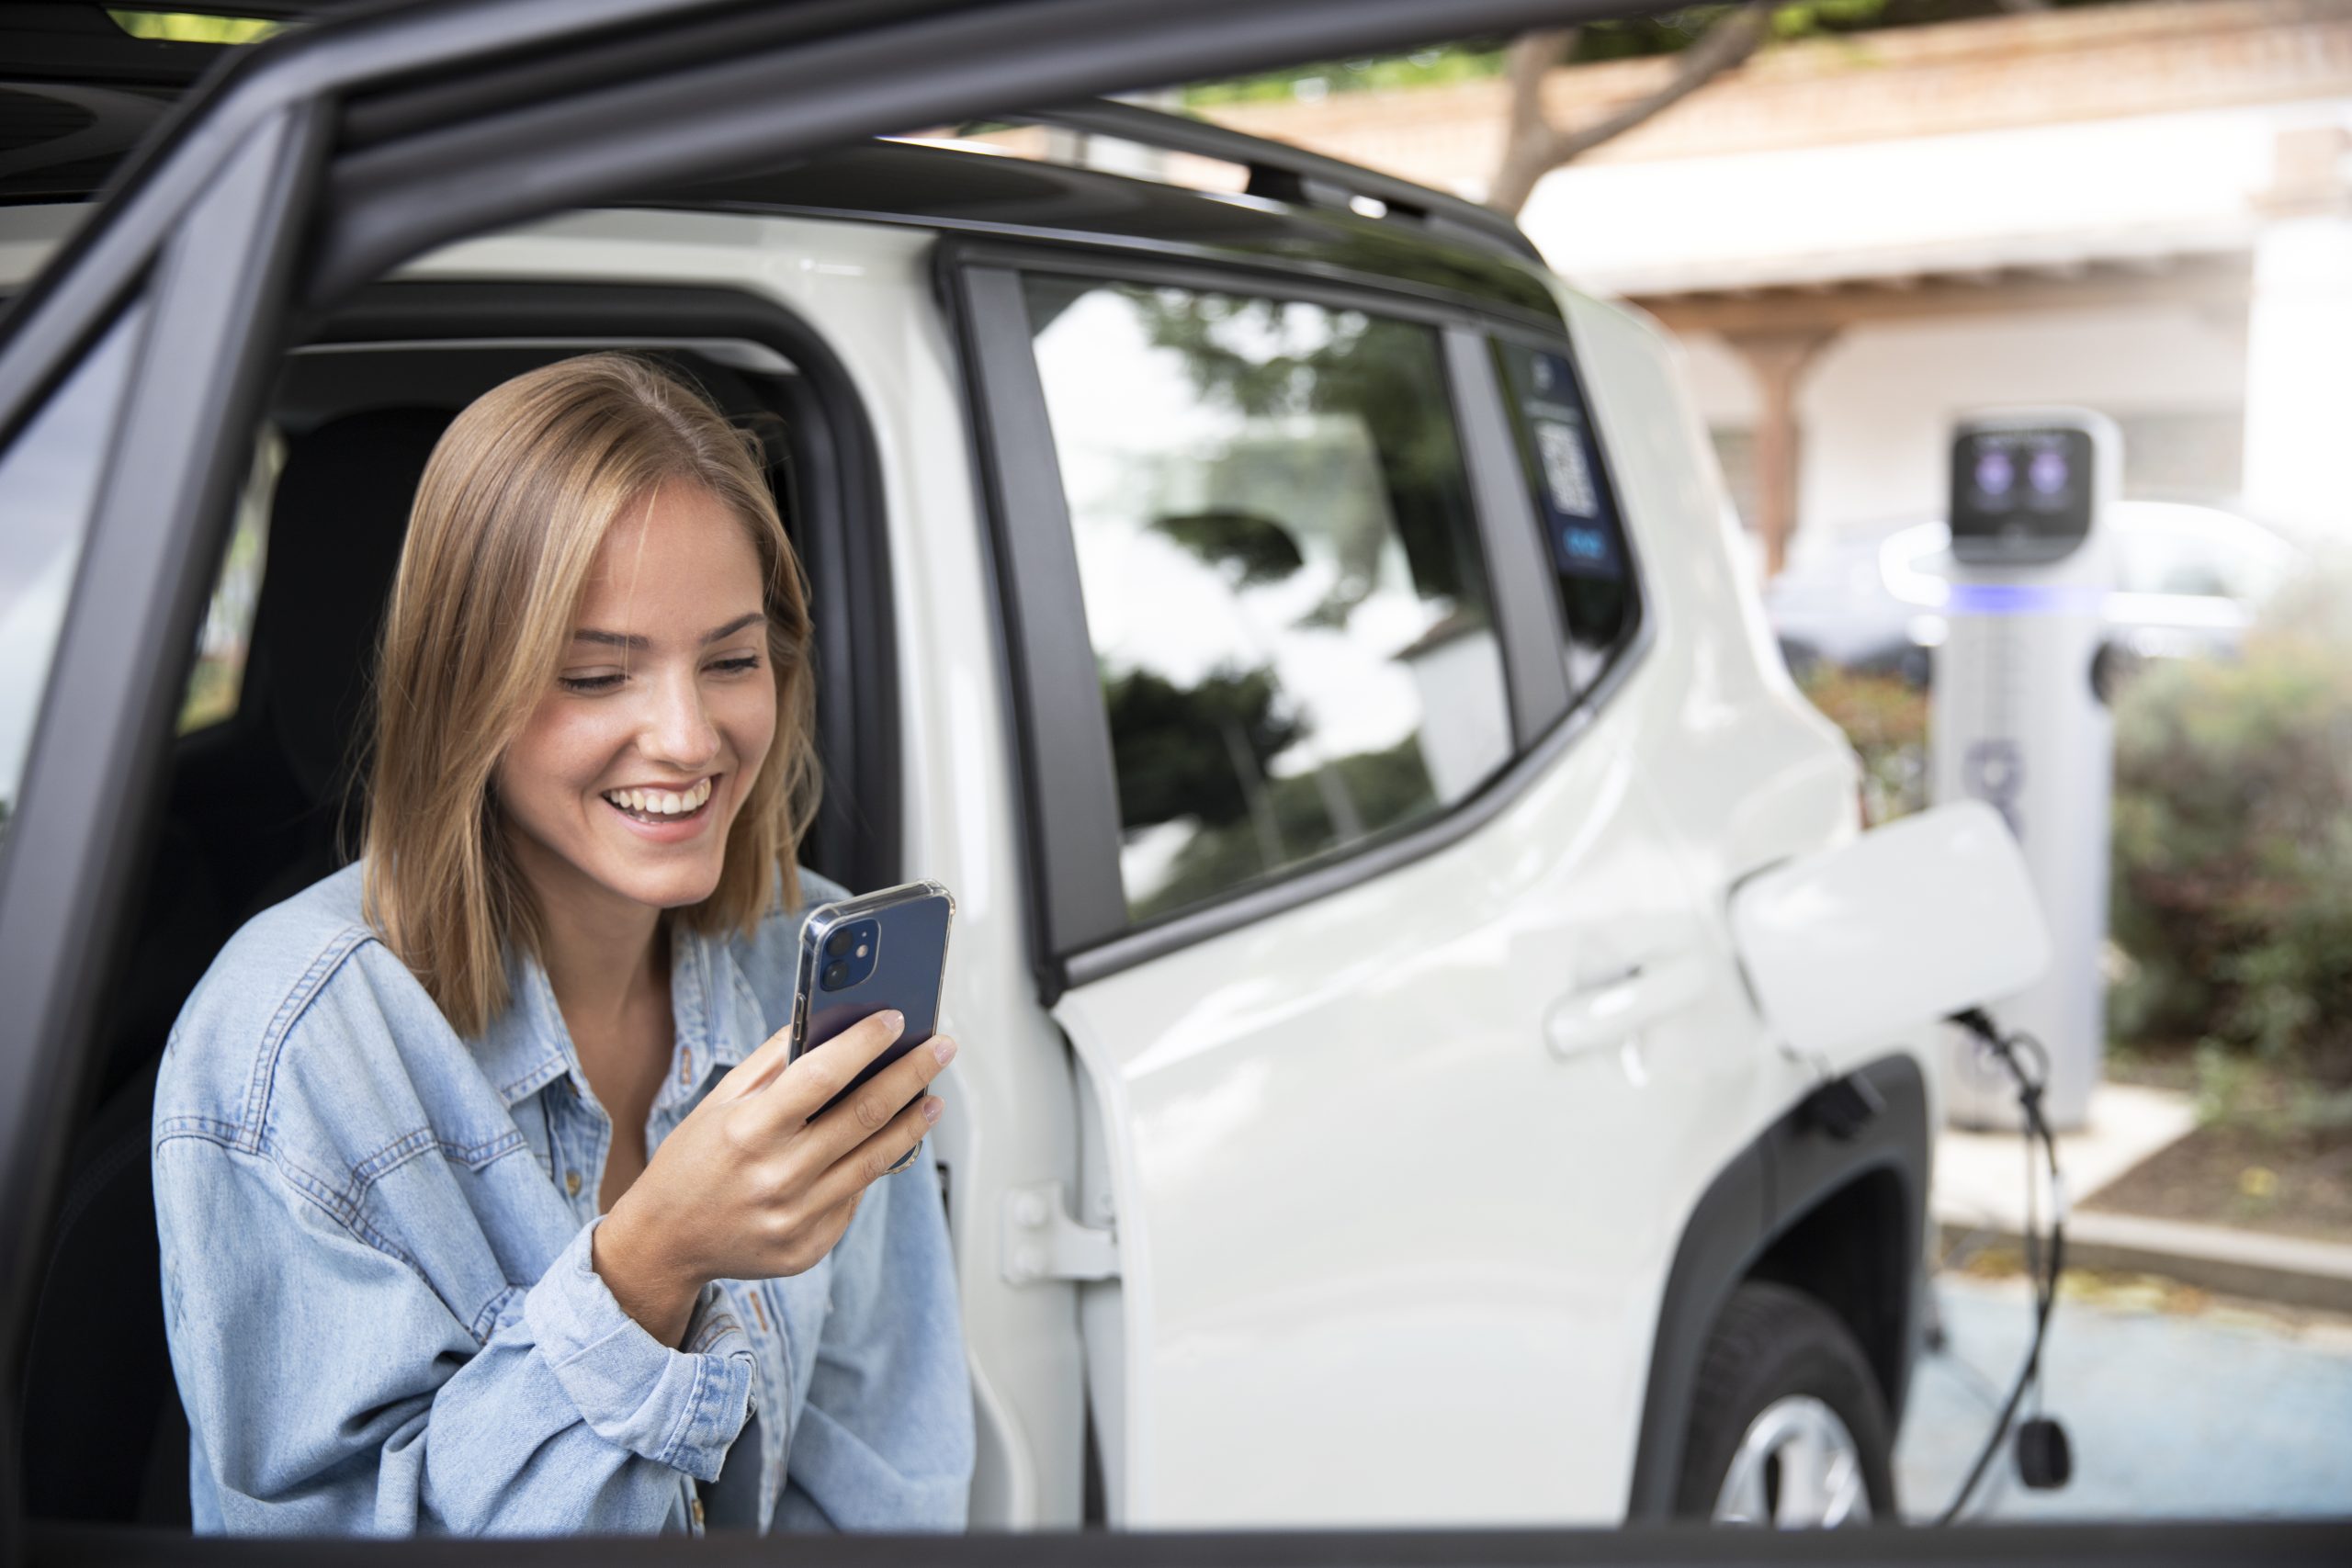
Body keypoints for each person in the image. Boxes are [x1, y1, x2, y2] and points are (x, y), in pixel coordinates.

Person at [151, 353, 975, 1535]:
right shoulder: (295, 1046)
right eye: (597, 675)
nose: (689, 739)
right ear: (463, 690)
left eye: (733, 660)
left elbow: (885, 1475)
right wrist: (643, 1273)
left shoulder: (799, 958)